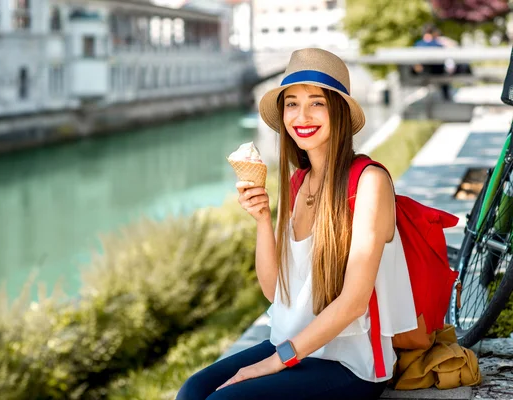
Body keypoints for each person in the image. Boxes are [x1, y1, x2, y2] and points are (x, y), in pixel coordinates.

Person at [175, 48, 418, 400]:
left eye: (316, 103)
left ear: (338, 110)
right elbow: (277, 292)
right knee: (192, 391)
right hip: (296, 347)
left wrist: (276, 361)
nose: (301, 115)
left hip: (351, 364)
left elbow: (353, 302)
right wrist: (262, 221)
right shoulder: (297, 182)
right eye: (291, 103)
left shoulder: (369, 182)